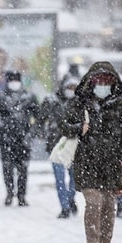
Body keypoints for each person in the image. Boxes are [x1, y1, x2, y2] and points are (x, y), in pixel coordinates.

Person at [60, 61, 122, 243]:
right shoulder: (79, 102)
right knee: (94, 204)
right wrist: (79, 128)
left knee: (109, 208)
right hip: (87, 162)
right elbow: (64, 125)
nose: (103, 86)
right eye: (99, 82)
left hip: (112, 164)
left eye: (107, 82)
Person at [0, 70, 39, 207]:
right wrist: (1, 127)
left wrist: (31, 133)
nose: (14, 83)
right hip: (7, 139)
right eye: (12, 80)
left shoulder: (29, 96)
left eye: (16, 80)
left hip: (24, 138)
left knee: (23, 169)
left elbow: (38, 117)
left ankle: (22, 195)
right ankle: (10, 193)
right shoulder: (1, 96)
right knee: (8, 168)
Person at [39, 76, 79, 218]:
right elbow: (40, 119)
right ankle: (65, 207)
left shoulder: (81, 103)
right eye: (69, 88)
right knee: (60, 179)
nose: (71, 91)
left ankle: (70, 198)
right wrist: (43, 133)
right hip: (56, 145)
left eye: (74, 88)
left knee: (75, 178)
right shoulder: (51, 101)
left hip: (75, 146)